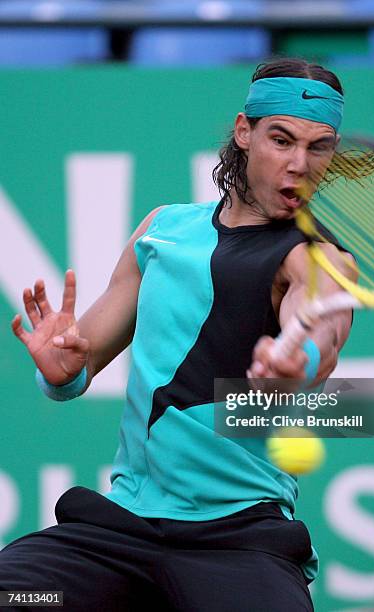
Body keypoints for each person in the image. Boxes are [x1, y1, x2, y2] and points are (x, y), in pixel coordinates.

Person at [2, 57, 355, 611]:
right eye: (281, 140)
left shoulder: (316, 259)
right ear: (244, 132)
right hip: (120, 530)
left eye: (320, 147)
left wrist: (300, 364)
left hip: (238, 541)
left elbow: (323, 330)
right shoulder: (163, 230)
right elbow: (82, 360)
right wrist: (63, 369)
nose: (299, 164)